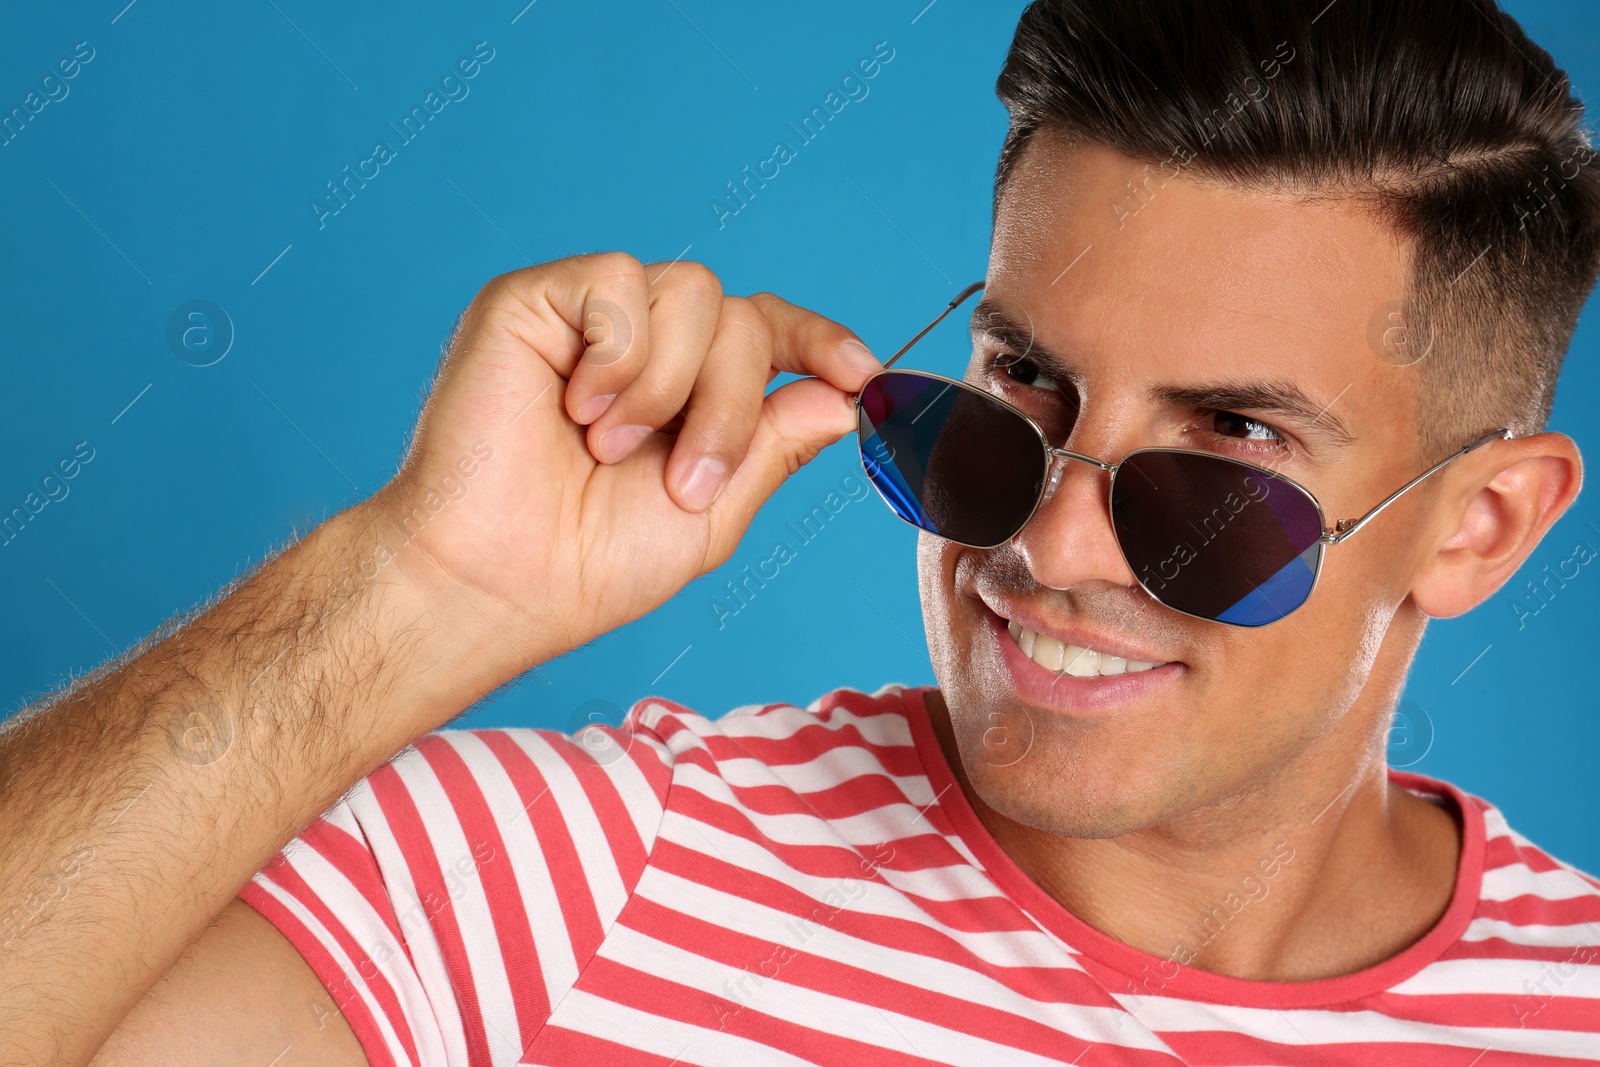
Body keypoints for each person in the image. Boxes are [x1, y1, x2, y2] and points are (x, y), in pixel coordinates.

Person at [4, 0, 1598, 1062]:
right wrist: (420, 588)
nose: (1051, 547)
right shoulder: (581, 884)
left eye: (1228, 455)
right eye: (1020, 391)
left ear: (1477, 528)